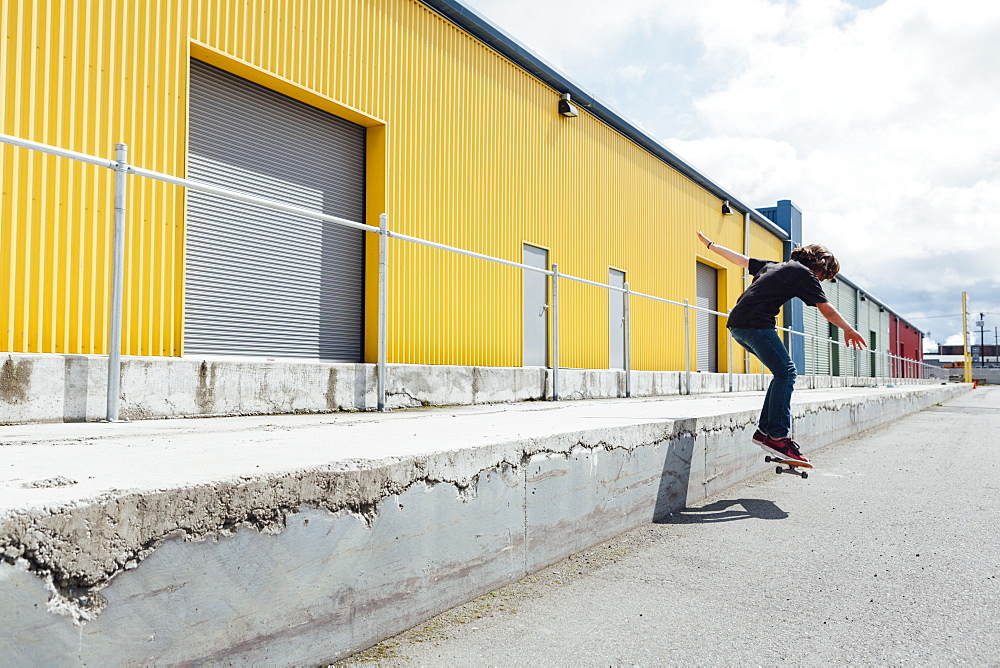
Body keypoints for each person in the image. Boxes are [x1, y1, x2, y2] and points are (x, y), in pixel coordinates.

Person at [696, 231, 867, 463]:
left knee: (781, 374)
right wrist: (848, 329)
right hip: (755, 324)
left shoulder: (774, 266)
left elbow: (740, 260)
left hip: (737, 325)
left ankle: (765, 431)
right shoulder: (805, 274)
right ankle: (777, 435)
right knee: (787, 373)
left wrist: (712, 245)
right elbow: (825, 309)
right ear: (819, 267)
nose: (820, 281)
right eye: (823, 276)